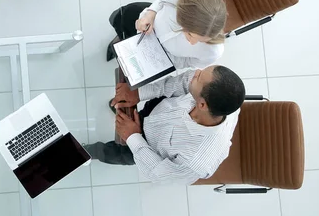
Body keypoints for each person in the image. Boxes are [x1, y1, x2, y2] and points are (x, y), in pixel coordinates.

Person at [84, 65, 245, 184]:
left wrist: (133, 137)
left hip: (147, 148)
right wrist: (139, 94)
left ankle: (84, 153)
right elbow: (182, 82)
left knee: (114, 152)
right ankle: (125, 116)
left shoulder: (195, 163)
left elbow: (158, 173)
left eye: (199, 76)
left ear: (202, 105)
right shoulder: (213, 94)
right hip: (159, 111)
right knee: (130, 111)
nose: (195, 72)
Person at [106, 0, 227, 69]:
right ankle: (119, 39)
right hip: (145, 24)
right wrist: (150, 14)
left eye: (201, 40)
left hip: (158, 58)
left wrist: (164, 59)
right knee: (118, 20)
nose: (192, 43)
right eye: (190, 34)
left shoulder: (213, 52)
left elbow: (188, 62)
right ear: (182, 19)